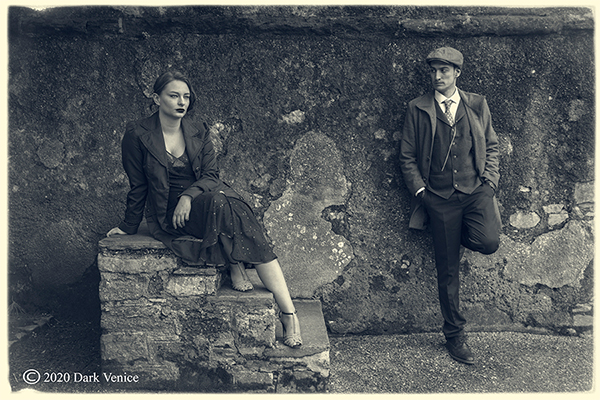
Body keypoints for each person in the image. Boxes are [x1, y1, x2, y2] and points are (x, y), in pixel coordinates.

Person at [107, 71, 302, 348]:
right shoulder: (137, 134)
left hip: (203, 200)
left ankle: (288, 313)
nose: (181, 102)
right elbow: (137, 186)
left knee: (228, 204)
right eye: (173, 95)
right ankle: (234, 263)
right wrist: (128, 226)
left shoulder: (198, 129)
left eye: (186, 97)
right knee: (224, 205)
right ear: (156, 98)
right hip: (169, 213)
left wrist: (188, 195)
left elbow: (211, 175)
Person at [399, 47, 501, 364]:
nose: (438, 76)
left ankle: (454, 235)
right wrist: (422, 194)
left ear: (457, 73)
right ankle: (455, 335)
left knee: (489, 241)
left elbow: (493, 146)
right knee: (448, 272)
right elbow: (407, 158)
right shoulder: (418, 108)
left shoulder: (476, 104)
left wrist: (490, 184)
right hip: (438, 199)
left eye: (444, 70)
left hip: (475, 193)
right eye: (433, 71)